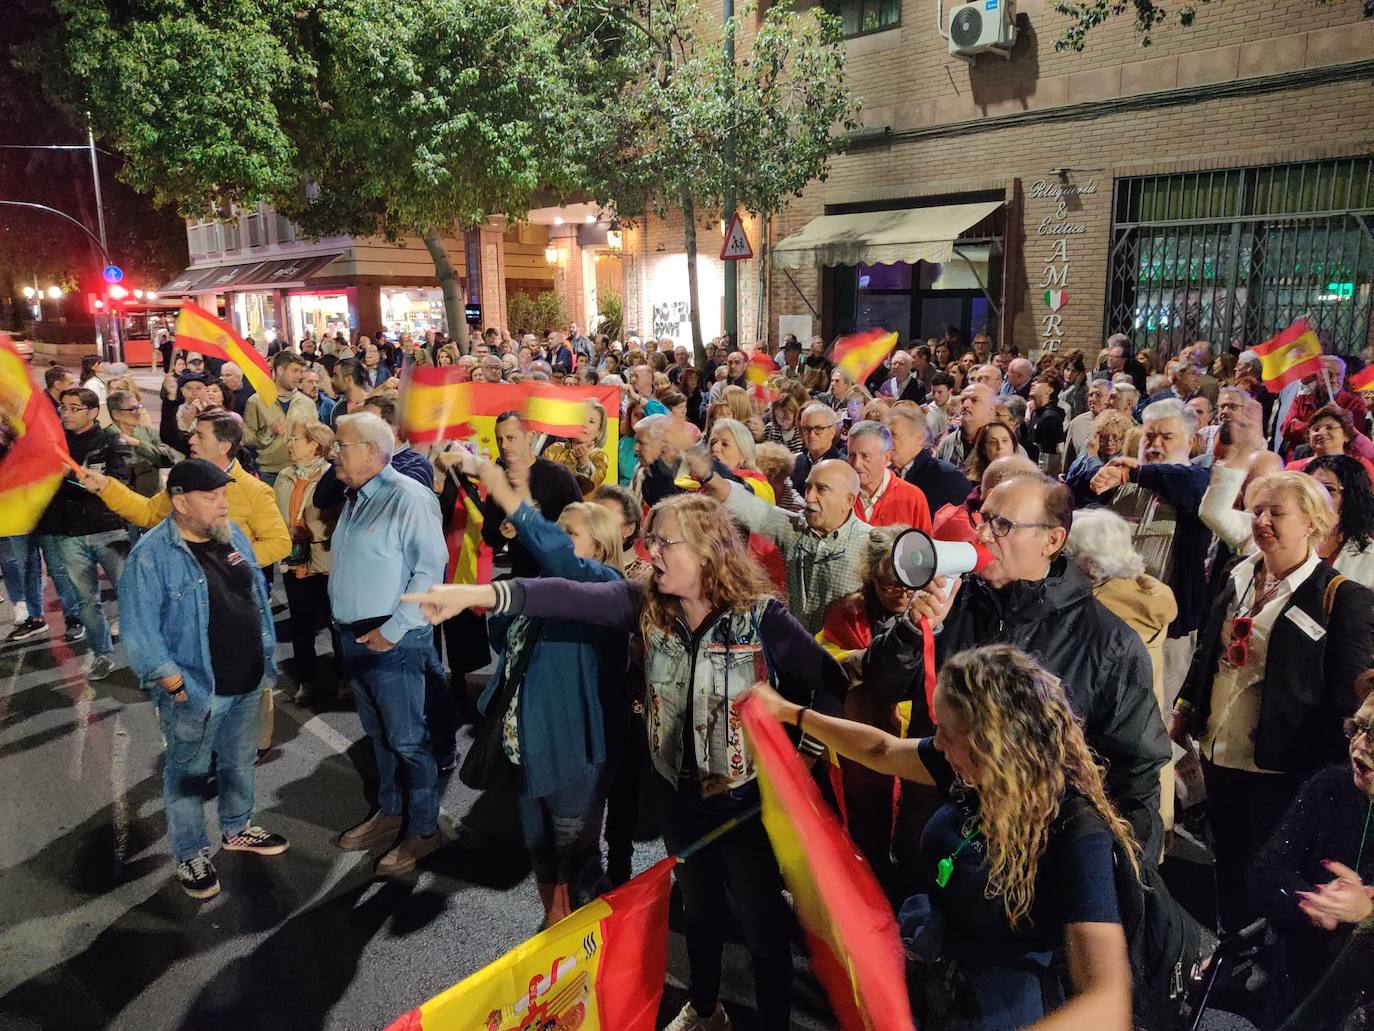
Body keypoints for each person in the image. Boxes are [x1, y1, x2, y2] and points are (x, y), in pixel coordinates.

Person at [404, 493, 848, 1031]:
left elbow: (830, 683)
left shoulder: (762, 618)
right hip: (677, 799)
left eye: (664, 542)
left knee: (761, 925)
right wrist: (479, 593)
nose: (650, 551)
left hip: (743, 807)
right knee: (701, 911)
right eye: (650, 539)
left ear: (707, 552)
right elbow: (563, 595)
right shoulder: (646, 605)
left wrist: (803, 759)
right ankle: (706, 1009)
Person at [742, 645, 1136, 1030]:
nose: (937, 743)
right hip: (938, 966)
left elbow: (1106, 1002)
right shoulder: (974, 771)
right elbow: (882, 750)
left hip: (1000, 1000)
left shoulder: (1078, 833)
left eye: (947, 732)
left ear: (992, 742)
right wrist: (792, 714)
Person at [899, 472, 1170, 862]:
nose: (985, 535)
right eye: (983, 517)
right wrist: (912, 629)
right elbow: (883, 685)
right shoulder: (952, 599)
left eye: (1003, 525)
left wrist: (1126, 875)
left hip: (1030, 860)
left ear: (1052, 540)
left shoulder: (1108, 642)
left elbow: (1136, 770)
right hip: (932, 833)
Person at [1172, 472, 1374, 932]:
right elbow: (1207, 653)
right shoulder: (1238, 573)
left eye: (1276, 512)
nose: (1261, 521)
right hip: (1220, 747)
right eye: (1257, 510)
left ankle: (1270, 954)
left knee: (1272, 863)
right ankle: (1231, 941)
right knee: (1226, 850)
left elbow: (1348, 696)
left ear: (1312, 523)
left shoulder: (1341, 597)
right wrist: (1186, 706)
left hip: (1284, 762)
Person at [456, 449, 626, 925]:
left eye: (568, 534)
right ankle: (554, 927)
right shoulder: (540, 583)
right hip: (523, 751)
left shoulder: (607, 588)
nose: (555, 541)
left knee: (578, 862)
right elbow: (504, 645)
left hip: (571, 755)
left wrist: (503, 488)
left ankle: (587, 945)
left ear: (599, 546)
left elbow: (557, 560)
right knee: (539, 851)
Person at [117, 459, 288, 900]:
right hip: (198, 691)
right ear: (180, 502)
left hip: (248, 681)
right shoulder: (151, 556)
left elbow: (254, 599)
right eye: (211, 498)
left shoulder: (234, 537)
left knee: (238, 762)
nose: (222, 505)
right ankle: (191, 851)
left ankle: (236, 828)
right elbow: (139, 632)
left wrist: (264, 659)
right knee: (188, 773)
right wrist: (175, 685)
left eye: (224, 495)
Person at [330, 413, 448, 876]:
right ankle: (391, 811)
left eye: (342, 446)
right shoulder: (355, 497)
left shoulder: (410, 498)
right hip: (355, 637)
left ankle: (424, 830)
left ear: (372, 451)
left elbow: (429, 572)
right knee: (380, 737)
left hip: (392, 639)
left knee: (409, 740)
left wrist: (393, 630)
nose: (333, 452)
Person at [1252, 682, 1374, 1024]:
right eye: (1357, 727)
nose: (1359, 744)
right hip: (1301, 986)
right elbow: (1265, 871)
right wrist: (1314, 902)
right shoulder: (1329, 787)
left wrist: (1367, 909)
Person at [1064, 509, 1179, 844]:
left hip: (1109, 758)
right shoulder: (1144, 594)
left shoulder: (1103, 613)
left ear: (1088, 561)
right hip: (1147, 750)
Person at [1090, 398, 1213, 699]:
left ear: (1191, 441)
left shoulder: (1199, 480)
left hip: (1167, 628)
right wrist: (1098, 480)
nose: (1154, 443)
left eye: (1166, 437)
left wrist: (1133, 473)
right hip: (1110, 618)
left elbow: (1188, 485)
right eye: (1149, 435)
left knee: (1152, 710)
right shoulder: (1124, 477)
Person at [693, 448, 869, 634]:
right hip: (798, 651)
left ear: (849, 500)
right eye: (808, 487)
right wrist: (708, 476)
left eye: (821, 489)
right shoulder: (793, 529)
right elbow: (750, 507)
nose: (809, 497)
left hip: (843, 659)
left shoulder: (871, 544)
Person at [273, 420, 337, 707]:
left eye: (296, 439)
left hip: (325, 559)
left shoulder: (332, 476)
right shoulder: (284, 475)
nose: (290, 444)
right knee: (301, 623)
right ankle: (306, 681)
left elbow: (339, 520)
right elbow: (276, 513)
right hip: (294, 559)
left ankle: (345, 679)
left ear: (315, 445)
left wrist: (311, 532)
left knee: (335, 622)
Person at [481, 412, 582, 578]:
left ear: (530, 437)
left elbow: (583, 525)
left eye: (510, 438)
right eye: (499, 439)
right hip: (521, 575)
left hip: (560, 574)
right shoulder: (500, 479)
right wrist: (502, 533)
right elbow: (490, 536)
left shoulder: (559, 475)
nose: (503, 445)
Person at [244, 352, 318, 486]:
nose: (299, 376)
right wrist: (269, 432)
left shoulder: (308, 403)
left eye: (300, 371)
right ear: (280, 370)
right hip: (270, 473)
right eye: (295, 371)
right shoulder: (256, 401)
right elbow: (246, 438)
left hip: (301, 470)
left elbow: (315, 435)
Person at [844, 420, 932, 530]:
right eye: (852, 455)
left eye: (865, 456)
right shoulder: (838, 493)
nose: (856, 464)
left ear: (886, 457)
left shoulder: (912, 498)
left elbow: (923, 544)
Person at [888, 404, 970, 512]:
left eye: (894, 435)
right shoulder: (882, 474)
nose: (887, 441)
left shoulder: (948, 477)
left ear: (919, 438)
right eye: (885, 435)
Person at [107, 389, 182, 499]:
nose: (138, 412)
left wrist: (139, 444)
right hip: (120, 502)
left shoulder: (148, 432)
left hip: (153, 500)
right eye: (132, 409)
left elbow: (171, 458)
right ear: (116, 414)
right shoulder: (105, 438)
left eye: (139, 407)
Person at [1286, 403, 1374, 482]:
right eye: (1316, 429)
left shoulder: (1361, 466)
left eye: (1329, 427)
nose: (1321, 432)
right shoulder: (1294, 469)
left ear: (1346, 435)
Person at [543, 399, 610, 497]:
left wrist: (584, 463)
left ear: (599, 433)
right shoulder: (555, 449)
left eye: (591, 422)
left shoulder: (599, 456)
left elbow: (595, 479)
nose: (584, 425)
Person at [934, 383, 1000, 468]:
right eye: (963, 400)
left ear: (991, 410)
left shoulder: (1004, 444)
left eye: (974, 400)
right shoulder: (946, 443)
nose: (965, 405)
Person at [790, 401, 844, 495]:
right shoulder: (796, 462)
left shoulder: (842, 467)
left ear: (832, 431)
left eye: (818, 428)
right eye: (807, 429)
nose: (811, 435)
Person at [963, 420, 1020, 489]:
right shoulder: (971, 484)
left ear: (1013, 445)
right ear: (983, 448)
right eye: (993, 442)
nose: (1000, 446)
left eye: (1004, 441)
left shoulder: (1025, 479)